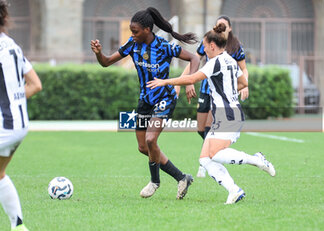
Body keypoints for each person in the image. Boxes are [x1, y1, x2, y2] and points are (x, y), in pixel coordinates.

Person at [147, 23, 275, 204]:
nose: (204, 50)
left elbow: (192, 78)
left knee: (215, 154)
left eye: (205, 47)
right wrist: (229, 90)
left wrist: (164, 82)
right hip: (228, 113)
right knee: (206, 159)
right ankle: (234, 190)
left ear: (212, 46)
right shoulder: (230, 59)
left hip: (227, 115)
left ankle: (257, 160)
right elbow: (244, 83)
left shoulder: (214, 62)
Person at [91, 7, 200, 199]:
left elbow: (194, 58)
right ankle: (182, 178)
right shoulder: (132, 45)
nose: (132, 35)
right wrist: (99, 53)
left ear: (147, 30)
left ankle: (154, 182)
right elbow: (106, 62)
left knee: (151, 140)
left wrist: (190, 81)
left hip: (165, 99)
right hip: (145, 100)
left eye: (135, 31)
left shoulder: (164, 46)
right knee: (143, 147)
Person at [0, 1, 42, 231]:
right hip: (20, 125)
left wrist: (5, 102)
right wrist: (11, 99)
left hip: (2, 124)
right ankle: (18, 227)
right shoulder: (13, 46)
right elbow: (35, 85)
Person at [195, 15, 250, 178]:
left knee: (211, 127)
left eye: (223, 25)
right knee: (200, 128)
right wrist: (187, 83)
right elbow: (195, 61)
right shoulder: (209, 41)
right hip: (206, 89)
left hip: (222, 99)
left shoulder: (234, 47)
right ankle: (209, 158)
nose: (220, 27)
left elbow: (243, 69)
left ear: (230, 28)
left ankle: (208, 160)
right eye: (218, 25)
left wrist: (244, 85)